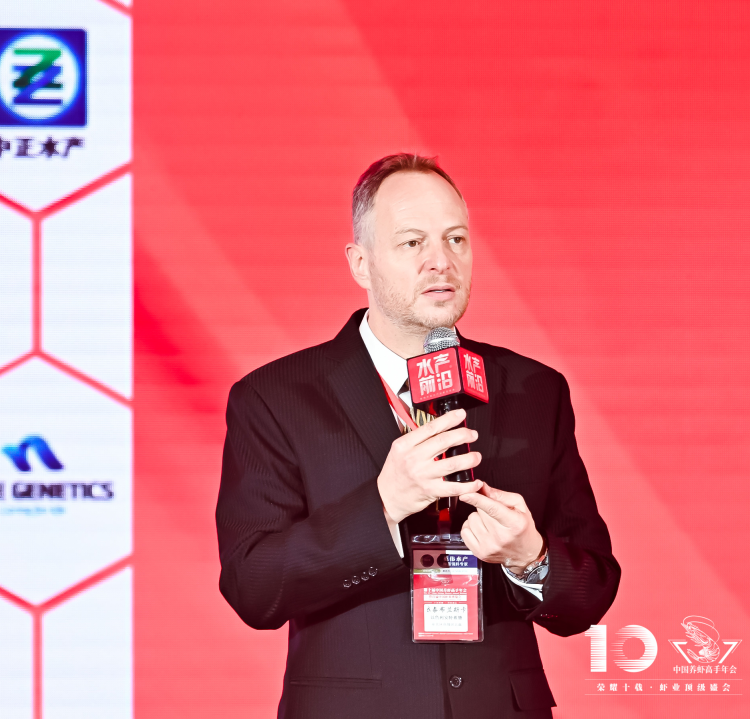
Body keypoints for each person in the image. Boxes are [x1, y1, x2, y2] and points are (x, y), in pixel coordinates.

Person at [216, 154, 620, 718]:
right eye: (412, 243)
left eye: (456, 239)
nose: (441, 261)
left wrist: (530, 559)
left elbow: (592, 590)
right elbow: (253, 587)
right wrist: (382, 506)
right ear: (361, 263)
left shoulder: (534, 390)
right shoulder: (277, 396)